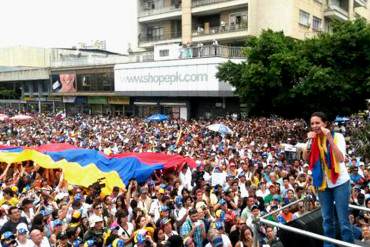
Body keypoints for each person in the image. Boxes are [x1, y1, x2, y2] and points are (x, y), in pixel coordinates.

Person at [303, 112, 354, 246]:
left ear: (325, 124)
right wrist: (308, 141)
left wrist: (329, 138)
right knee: (327, 219)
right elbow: (306, 159)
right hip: (322, 183)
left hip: (340, 182)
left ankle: (348, 244)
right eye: (312, 123)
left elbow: (341, 158)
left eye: (317, 123)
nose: (314, 126)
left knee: (343, 220)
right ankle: (329, 245)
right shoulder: (312, 139)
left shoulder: (338, 137)